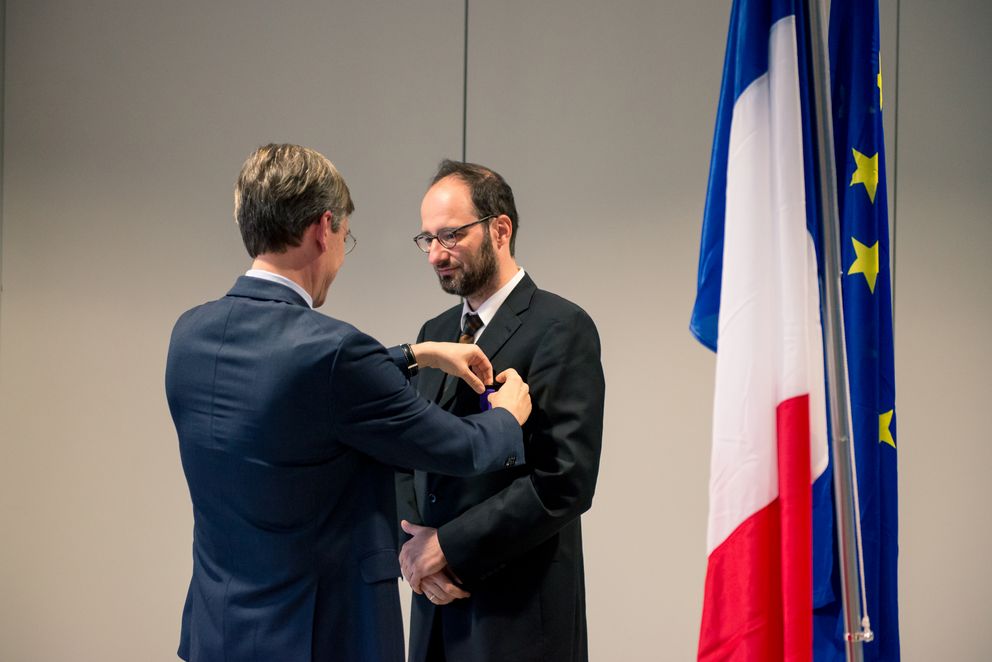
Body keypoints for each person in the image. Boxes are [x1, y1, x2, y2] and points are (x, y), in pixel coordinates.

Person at [165, 144, 532, 662]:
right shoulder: (332, 353)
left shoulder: (189, 335)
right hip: (316, 637)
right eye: (345, 236)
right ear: (324, 227)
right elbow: (458, 448)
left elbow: (291, 388)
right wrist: (506, 415)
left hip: (216, 631)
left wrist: (414, 353)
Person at [396, 160, 605, 661]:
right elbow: (406, 452)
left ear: (500, 229)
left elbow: (564, 481)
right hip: (433, 612)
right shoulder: (432, 332)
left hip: (517, 617)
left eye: (449, 235)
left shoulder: (562, 327)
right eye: (427, 239)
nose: (435, 255)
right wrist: (413, 554)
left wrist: (447, 547)